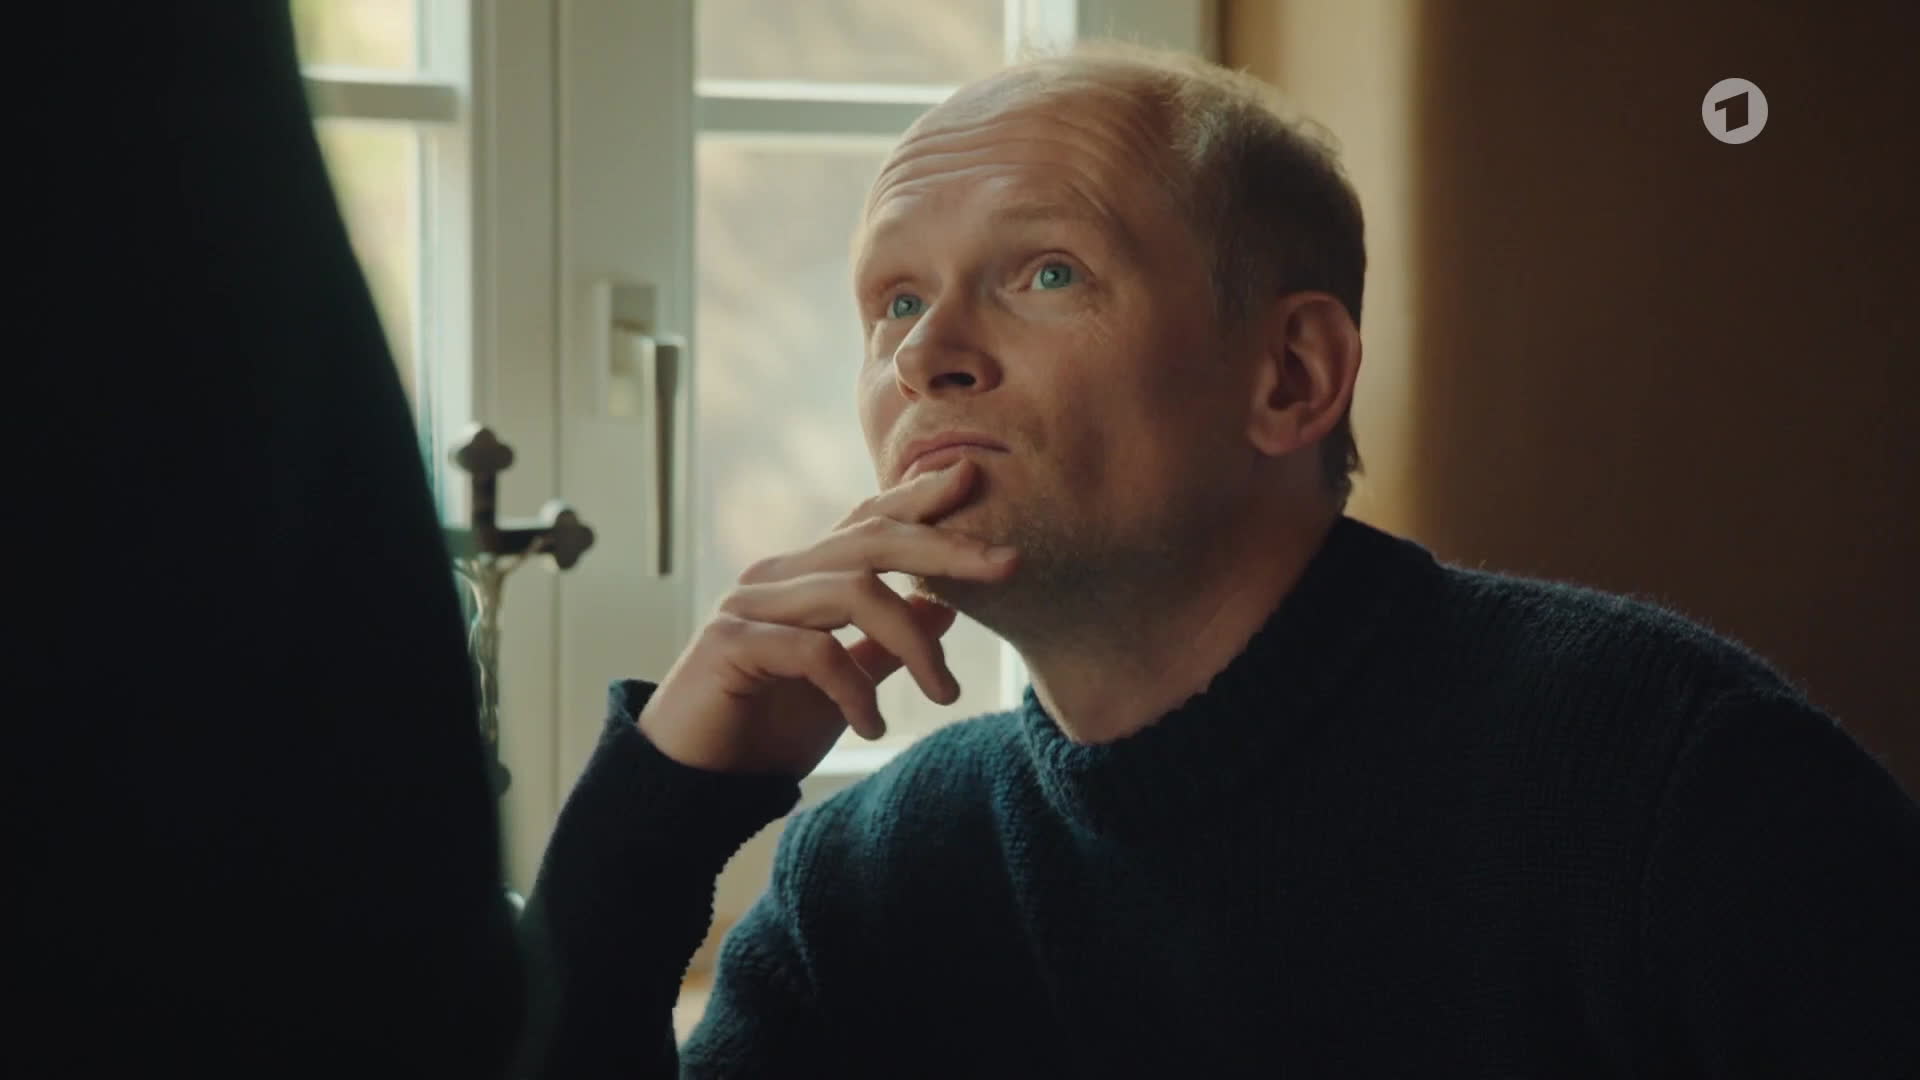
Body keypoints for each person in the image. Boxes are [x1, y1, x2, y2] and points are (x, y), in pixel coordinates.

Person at [521, 44, 1920, 1078]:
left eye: (1045, 272)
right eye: (894, 300)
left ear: (1291, 375)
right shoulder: (873, 882)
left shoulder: (1671, 780)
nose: (924, 356)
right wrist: (657, 819)